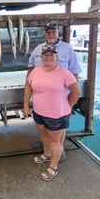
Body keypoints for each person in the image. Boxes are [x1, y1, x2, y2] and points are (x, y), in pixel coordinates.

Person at [24, 45, 81, 181]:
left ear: (57, 57)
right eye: (46, 55)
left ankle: (53, 167)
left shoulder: (64, 73)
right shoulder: (35, 71)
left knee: (55, 141)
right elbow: (28, 88)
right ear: (41, 57)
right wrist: (26, 105)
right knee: (43, 135)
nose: (48, 57)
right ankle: (46, 154)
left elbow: (76, 91)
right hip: (39, 112)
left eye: (51, 55)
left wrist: (68, 106)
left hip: (57, 115)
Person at [27, 21, 82, 161]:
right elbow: (30, 71)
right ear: (44, 34)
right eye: (48, 32)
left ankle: (59, 151)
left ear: (58, 33)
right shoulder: (38, 49)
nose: (51, 34)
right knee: (45, 129)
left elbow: (74, 73)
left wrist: (69, 104)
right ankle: (48, 150)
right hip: (42, 100)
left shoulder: (67, 49)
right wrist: (27, 100)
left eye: (54, 32)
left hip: (61, 100)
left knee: (60, 129)